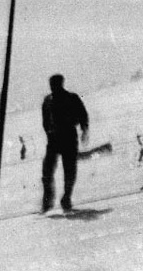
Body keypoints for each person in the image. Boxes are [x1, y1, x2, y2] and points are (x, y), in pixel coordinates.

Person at [41, 73, 89, 213]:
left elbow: (83, 115)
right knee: (47, 171)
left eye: (54, 84)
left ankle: (65, 199)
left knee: (69, 171)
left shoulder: (71, 98)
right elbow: (45, 121)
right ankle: (48, 202)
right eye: (52, 84)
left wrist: (84, 130)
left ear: (60, 84)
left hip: (68, 138)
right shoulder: (48, 101)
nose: (53, 87)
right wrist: (49, 133)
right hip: (55, 140)